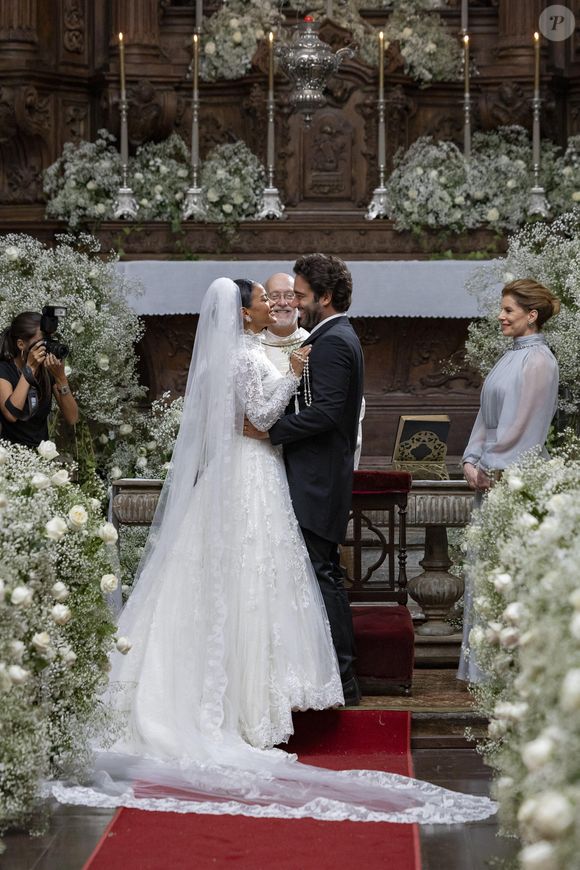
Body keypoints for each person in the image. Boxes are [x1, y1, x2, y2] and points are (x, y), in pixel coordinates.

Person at [52, 277, 495, 826]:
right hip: (249, 470)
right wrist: (290, 375)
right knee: (247, 573)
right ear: (242, 313)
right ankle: (243, 703)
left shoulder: (248, 348)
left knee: (262, 575)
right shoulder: (241, 355)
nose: (270, 303)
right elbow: (259, 419)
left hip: (259, 471)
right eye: (262, 298)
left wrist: (286, 374)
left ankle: (258, 697)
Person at [248, 255, 364, 706]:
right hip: (316, 474)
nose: (293, 302)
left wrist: (269, 432)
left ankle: (344, 677)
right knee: (319, 572)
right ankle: (334, 675)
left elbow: (328, 411)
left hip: (318, 479)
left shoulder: (334, 341)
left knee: (322, 573)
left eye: (299, 295)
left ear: (325, 297)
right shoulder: (332, 335)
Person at [458, 278, 560, 683]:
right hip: (492, 476)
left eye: (509, 311)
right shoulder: (509, 357)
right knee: (485, 570)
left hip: (516, 482)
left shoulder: (539, 361)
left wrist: (494, 468)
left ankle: (512, 670)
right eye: (502, 309)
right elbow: (488, 418)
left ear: (531, 316)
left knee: (509, 572)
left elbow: (525, 427)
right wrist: (470, 458)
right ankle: (485, 668)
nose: (500, 317)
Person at [263, 270, 366, 469]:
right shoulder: (251, 349)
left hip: (310, 458)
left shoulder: (319, 344)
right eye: (274, 296)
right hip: (264, 455)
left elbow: (345, 406)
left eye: (291, 295)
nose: (284, 302)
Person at [0, 311, 78, 447]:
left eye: (48, 342)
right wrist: (29, 369)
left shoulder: (47, 371)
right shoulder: (4, 369)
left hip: (42, 455)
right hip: (10, 456)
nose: (45, 347)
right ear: (21, 344)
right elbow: (11, 415)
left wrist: (61, 378)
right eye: (41, 343)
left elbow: (72, 418)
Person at [261, 272, 309, 376]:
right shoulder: (254, 348)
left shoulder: (312, 343)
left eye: (289, 296)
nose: (282, 303)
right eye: (274, 296)